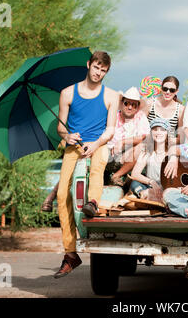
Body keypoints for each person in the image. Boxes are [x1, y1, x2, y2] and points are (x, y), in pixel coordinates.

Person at [54, 51, 119, 278]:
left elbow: (110, 129)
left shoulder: (111, 96)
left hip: (98, 143)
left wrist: (96, 143)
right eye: (96, 67)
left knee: (99, 164)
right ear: (88, 65)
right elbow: (60, 128)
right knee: (62, 195)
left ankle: (93, 202)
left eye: (103, 70)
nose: (98, 72)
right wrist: (67, 134)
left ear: (106, 72)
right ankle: (70, 254)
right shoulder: (67, 93)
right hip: (74, 146)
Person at [106, 86, 150, 186]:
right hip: (108, 154)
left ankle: (115, 176)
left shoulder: (140, 117)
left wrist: (123, 141)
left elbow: (144, 136)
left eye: (134, 105)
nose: (130, 107)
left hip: (127, 156)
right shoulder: (113, 115)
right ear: (122, 103)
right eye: (127, 103)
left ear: (138, 107)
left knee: (142, 146)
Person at [129, 117, 171, 202]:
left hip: (166, 188)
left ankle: (148, 197)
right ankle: (146, 195)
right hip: (150, 186)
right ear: (151, 133)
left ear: (167, 133)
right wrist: (152, 182)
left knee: (168, 193)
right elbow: (134, 173)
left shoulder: (171, 152)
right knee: (134, 184)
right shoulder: (147, 152)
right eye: (155, 129)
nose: (158, 132)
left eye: (162, 130)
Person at [142, 76, 184, 141]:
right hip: (149, 143)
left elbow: (180, 138)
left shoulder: (180, 110)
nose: (168, 92)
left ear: (176, 91)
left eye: (172, 90)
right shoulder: (150, 103)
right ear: (161, 88)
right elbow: (140, 127)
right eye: (165, 89)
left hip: (168, 146)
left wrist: (168, 141)